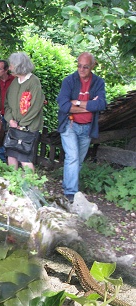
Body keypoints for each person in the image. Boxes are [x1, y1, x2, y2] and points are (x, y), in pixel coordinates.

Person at [57, 52, 107, 202]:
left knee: (78, 160)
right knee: (72, 157)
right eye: (79, 66)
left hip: (87, 127)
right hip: (70, 124)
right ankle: (71, 193)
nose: (82, 69)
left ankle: (67, 185)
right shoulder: (69, 81)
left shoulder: (98, 82)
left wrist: (77, 103)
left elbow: (101, 104)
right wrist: (89, 106)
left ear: (92, 66)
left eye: (85, 67)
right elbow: (64, 105)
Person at [4, 52, 45, 171]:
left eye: (11, 65)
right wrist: (10, 120)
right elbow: (7, 104)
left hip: (28, 128)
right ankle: (13, 184)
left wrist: (21, 124)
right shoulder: (14, 82)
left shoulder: (34, 82)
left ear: (19, 66)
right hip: (13, 126)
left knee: (24, 158)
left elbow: (35, 106)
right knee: (11, 156)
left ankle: (31, 186)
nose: (10, 68)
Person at [0, 59, 15, 162]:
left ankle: (10, 162)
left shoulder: (14, 81)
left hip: (11, 115)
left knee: (11, 139)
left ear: (6, 70)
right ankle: (1, 162)